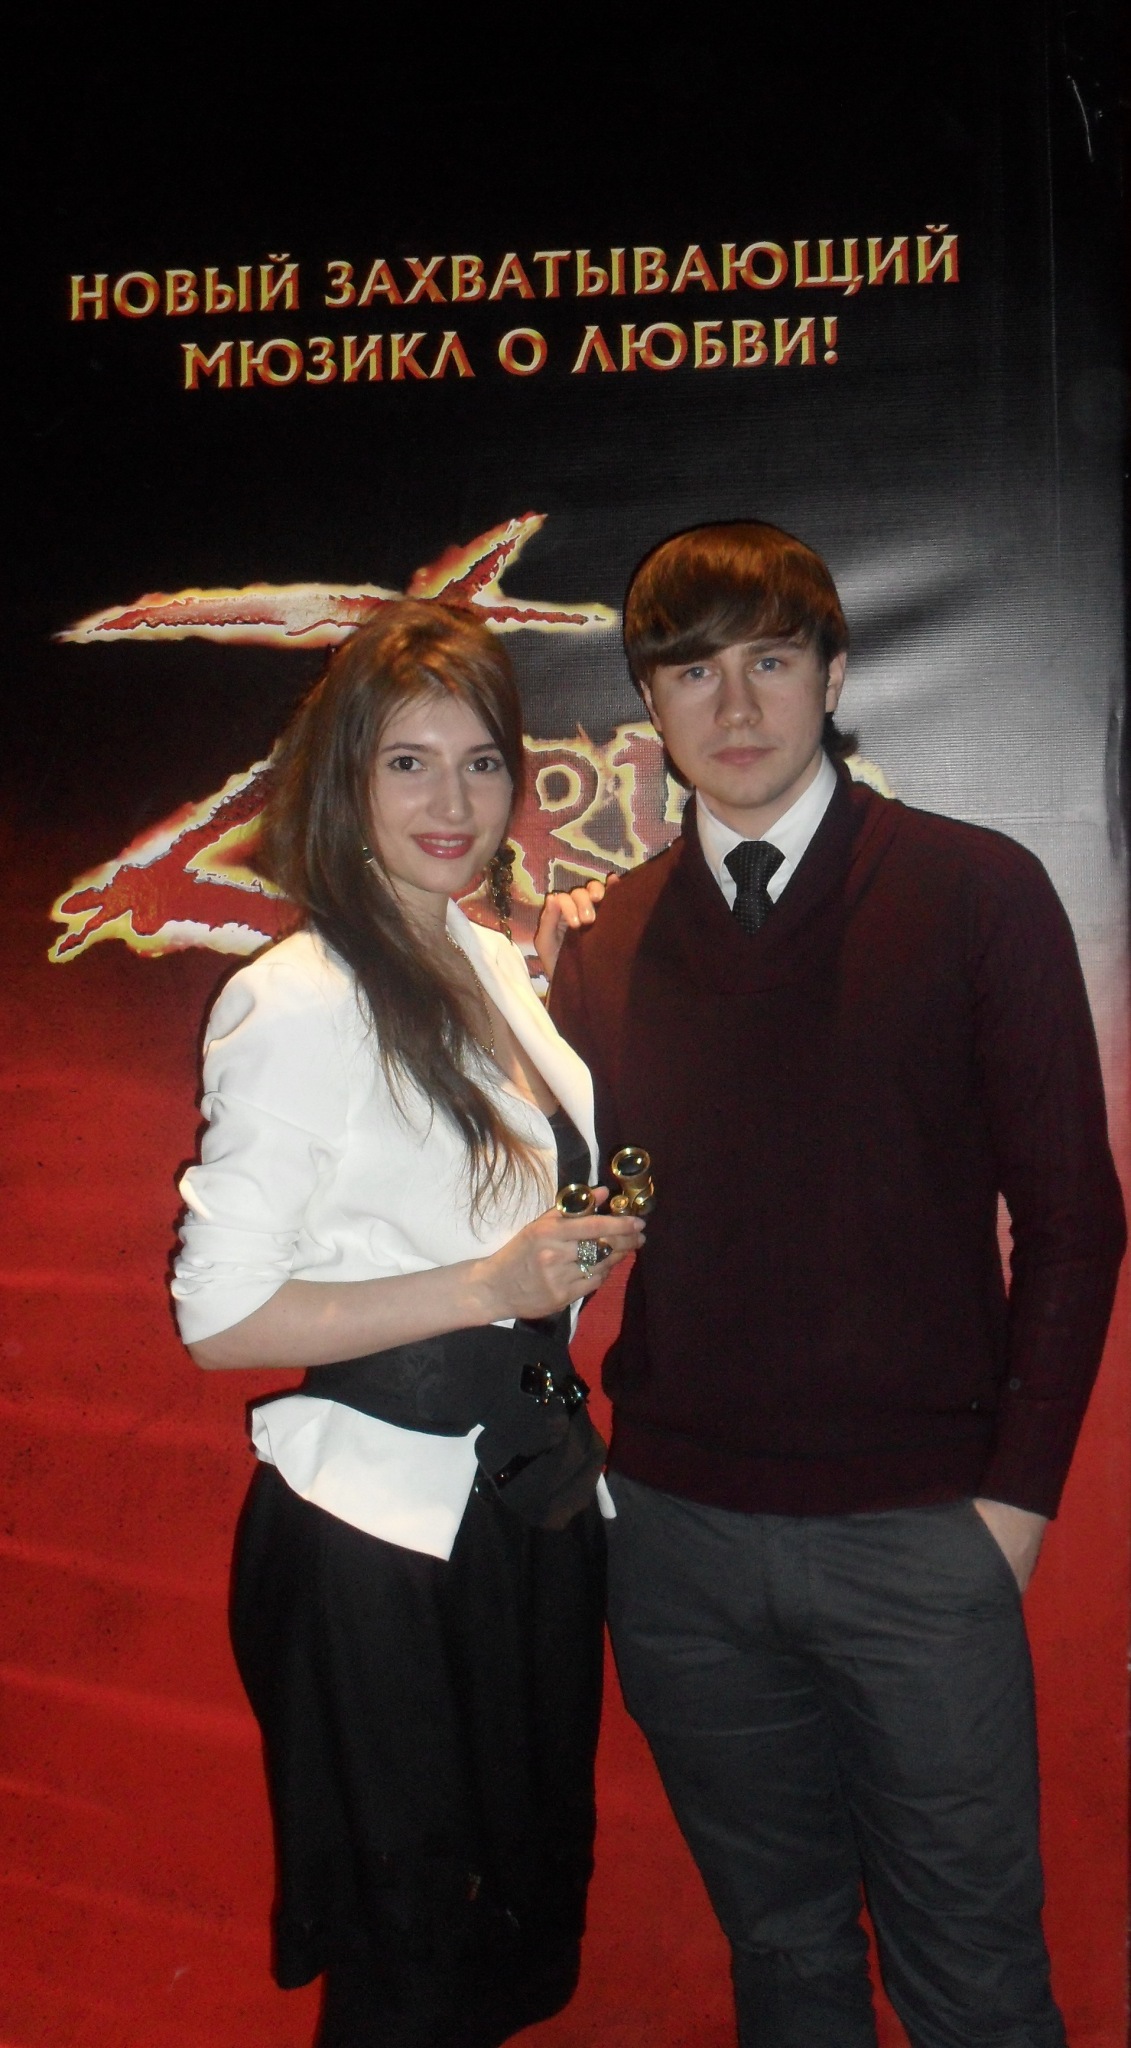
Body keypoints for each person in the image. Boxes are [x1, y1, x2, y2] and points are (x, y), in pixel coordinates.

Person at [540, 522, 1126, 2048]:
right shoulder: (606, 939)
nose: (735, 707)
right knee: (785, 1960)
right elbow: (597, 1214)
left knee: (977, 1988)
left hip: (918, 1542)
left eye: (772, 663)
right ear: (649, 704)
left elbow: (1076, 1220)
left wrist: (1011, 1509)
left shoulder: (975, 891)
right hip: (679, 1551)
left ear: (835, 674)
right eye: (692, 673)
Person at [171, 601, 643, 2048]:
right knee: (410, 1963)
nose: (454, 801)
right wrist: (489, 1287)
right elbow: (219, 1317)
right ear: (344, 785)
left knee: (510, 1937)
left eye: (482, 761)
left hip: (528, 1499)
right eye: (408, 763)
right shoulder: (296, 998)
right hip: (377, 1538)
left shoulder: (491, 963)